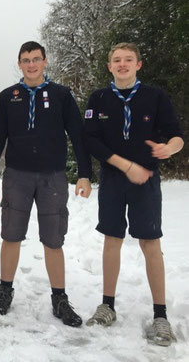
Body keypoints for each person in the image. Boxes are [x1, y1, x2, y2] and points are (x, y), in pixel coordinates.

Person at [0, 41, 92, 327]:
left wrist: (84, 173)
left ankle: (59, 298)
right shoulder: (9, 96)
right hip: (17, 176)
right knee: (11, 236)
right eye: (25, 60)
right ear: (19, 64)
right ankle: (5, 290)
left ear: (45, 61)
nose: (31, 65)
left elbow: (78, 135)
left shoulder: (61, 95)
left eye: (36, 59)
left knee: (53, 239)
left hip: (52, 177)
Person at [83, 42, 183, 346]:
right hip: (114, 179)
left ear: (138, 64)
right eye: (117, 60)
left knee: (150, 242)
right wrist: (126, 166)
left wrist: (170, 148)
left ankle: (161, 315)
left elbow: (177, 134)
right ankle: (107, 306)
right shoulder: (98, 99)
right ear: (109, 66)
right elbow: (91, 141)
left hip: (147, 181)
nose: (122, 64)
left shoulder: (155, 97)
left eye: (128, 59)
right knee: (112, 239)